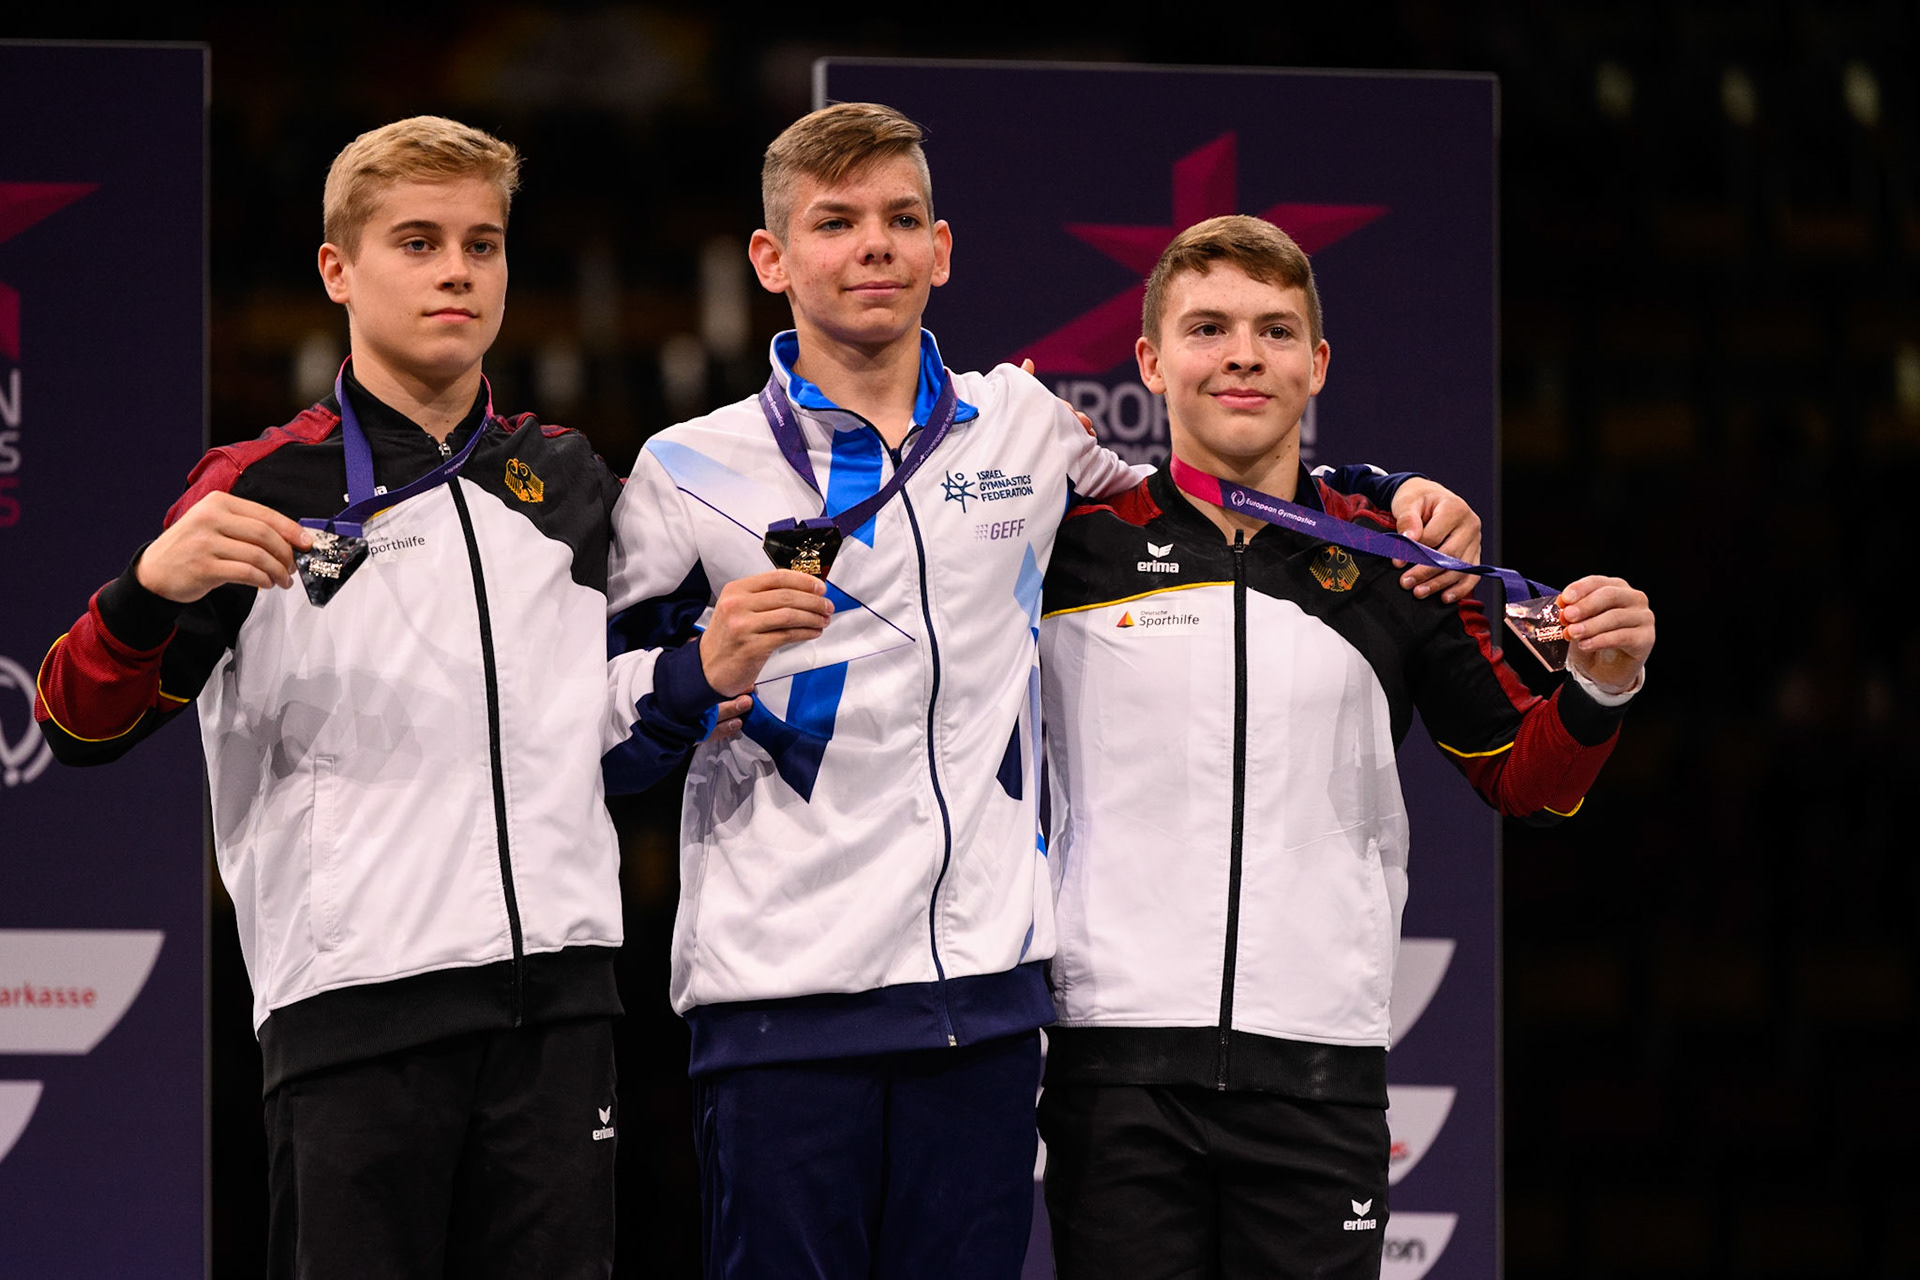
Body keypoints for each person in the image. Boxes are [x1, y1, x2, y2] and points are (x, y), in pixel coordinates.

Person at [598, 104, 1486, 1280]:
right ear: (772, 259)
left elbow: (1216, 497)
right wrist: (688, 672)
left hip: (984, 1014)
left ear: (943, 248)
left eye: (902, 219)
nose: (875, 245)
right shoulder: (683, 471)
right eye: (837, 222)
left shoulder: (1022, 428)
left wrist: (1391, 492)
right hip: (778, 1009)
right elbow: (585, 741)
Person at [31, 116, 692, 1279]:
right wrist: (143, 588)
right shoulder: (260, 483)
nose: (456, 271)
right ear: (338, 268)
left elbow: (636, 681)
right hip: (352, 1011)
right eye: (418, 241)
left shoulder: (573, 480)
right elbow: (76, 723)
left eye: (481, 244)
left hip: (563, 1005)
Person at [1033, 214, 1656, 1278]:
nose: (1242, 354)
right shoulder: (1069, 544)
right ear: (1149, 360)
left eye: (1276, 331)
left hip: (1319, 1073)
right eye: (1208, 327)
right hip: (1114, 1068)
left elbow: (1526, 781)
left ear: (1316, 364)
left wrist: (1603, 682)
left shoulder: (1393, 559)